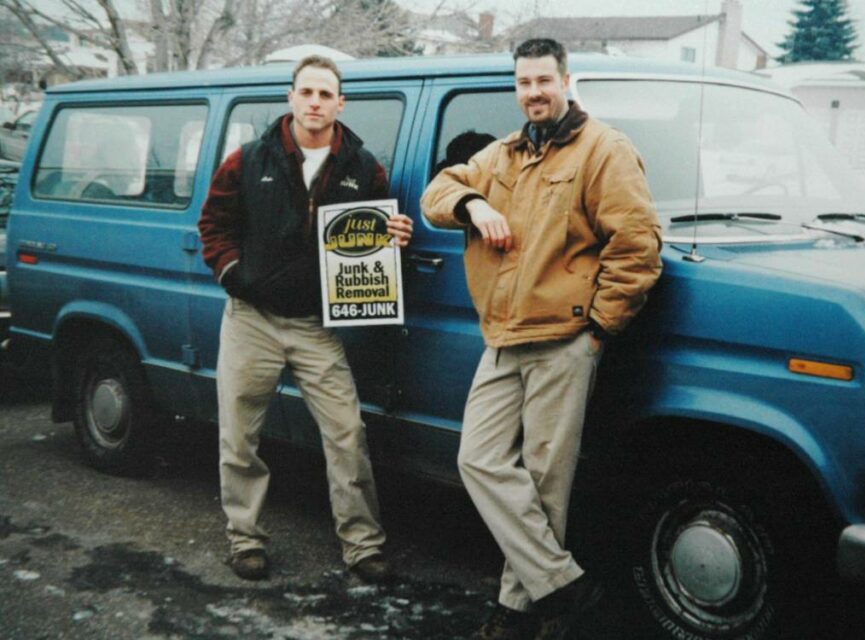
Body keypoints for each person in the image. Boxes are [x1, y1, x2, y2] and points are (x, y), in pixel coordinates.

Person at [421, 38, 663, 640]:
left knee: (544, 480)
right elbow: (434, 197)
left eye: (544, 82)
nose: (533, 92)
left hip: (564, 339)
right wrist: (474, 203)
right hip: (503, 337)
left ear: (565, 81)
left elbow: (636, 248)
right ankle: (564, 587)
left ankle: (518, 613)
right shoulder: (501, 155)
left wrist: (597, 331)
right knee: (477, 459)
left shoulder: (604, 149)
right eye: (524, 83)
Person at [198, 55, 413, 582]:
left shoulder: (364, 168)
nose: (315, 102)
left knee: (347, 434)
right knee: (240, 436)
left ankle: (363, 545)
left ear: (341, 103)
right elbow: (213, 226)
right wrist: (235, 276)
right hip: (252, 319)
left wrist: (395, 238)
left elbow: (374, 241)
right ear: (291, 97)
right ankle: (245, 539)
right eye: (307, 92)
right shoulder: (248, 159)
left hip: (317, 326)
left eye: (326, 94)